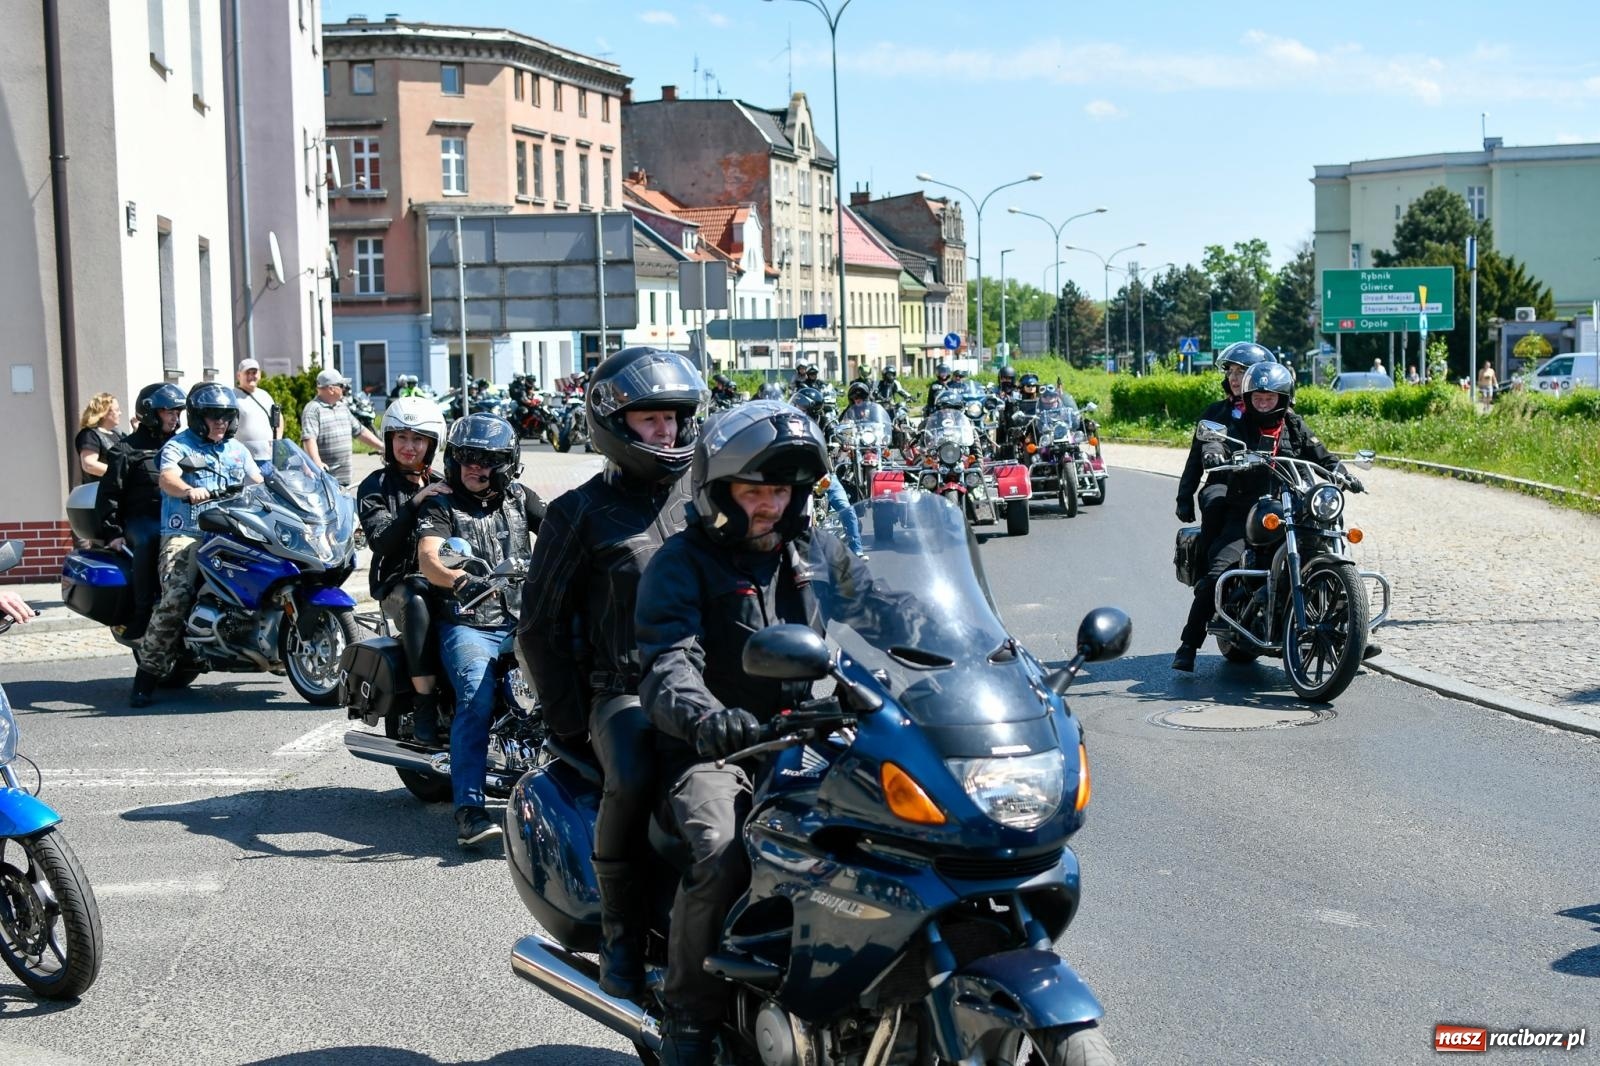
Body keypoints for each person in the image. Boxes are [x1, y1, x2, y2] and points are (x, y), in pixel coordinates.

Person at [634, 401, 837, 1064]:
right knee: (724, 847)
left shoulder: (813, 552)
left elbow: (894, 613)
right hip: (720, 750)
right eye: (754, 490)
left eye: (781, 490)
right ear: (721, 492)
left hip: (809, 740)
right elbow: (668, 663)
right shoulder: (682, 562)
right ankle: (688, 1016)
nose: (770, 505)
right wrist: (705, 716)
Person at [517, 347, 707, 999]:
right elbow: (539, 628)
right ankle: (623, 941)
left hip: (713, 691)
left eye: (674, 419)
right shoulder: (579, 513)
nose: (666, 433)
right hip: (625, 695)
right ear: (615, 425)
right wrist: (572, 725)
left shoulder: (712, 497)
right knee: (630, 771)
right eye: (650, 419)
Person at [1172, 361, 1362, 672]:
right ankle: (1189, 644)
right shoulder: (1238, 422)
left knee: (1327, 548)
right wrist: (1214, 451)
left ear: (1283, 399)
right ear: (1248, 399)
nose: (1263, 404)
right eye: (1258, 398)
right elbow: (1218, 439)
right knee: (1218, 572)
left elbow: (1322, 455)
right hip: (1245, 510)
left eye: (1269, 398)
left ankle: (1351, 632)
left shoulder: (1294, 425)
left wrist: (1342, 472)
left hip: (1292, 505)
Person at [415, 414, 545, 847]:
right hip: (470, 620)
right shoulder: (441, 504)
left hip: (525, 617)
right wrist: (459, 579)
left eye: (487, 459)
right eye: (468, 457)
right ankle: (469, 809)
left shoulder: (520, 498)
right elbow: (430, 557)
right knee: (476, 695)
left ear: (507, 463)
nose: (476, 467)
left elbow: (566, 534)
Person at [131, 384, 261, 707]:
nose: (220, 422)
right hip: (187, 533)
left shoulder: (237, 451)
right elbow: (167, 478)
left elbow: (260, 481)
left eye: (226, 416)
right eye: (213, 416)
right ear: (198, 418)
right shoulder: (179, 446)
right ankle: (146, 676)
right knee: (176, 595)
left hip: (232, 532)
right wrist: (188, 489)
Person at [356, 395, 451, 743]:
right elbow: (382, 541)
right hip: (398, 584)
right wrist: (416, 503)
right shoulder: (375, 487)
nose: (409, 447)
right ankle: (424, 703)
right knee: (418, 602)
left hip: (442, 577)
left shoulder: (443, 482)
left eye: (418, 439)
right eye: (402, 438)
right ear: (389, 440)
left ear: (431, 444)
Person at [95, 383, 186, 640]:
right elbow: (109, 494)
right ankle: (143, 613)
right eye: (168, 411)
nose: (174, 417)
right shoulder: (127, 449)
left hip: (177, 518)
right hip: (142, 519)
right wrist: (112, 532)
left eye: (177, 412)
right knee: (148, 539)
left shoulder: (181, 446)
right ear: (150, 413)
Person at [1175, 342, 1268, 534]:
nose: (1233, 378)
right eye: (1230, 371)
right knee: (1215, 506)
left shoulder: (1274, 411)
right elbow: (1195, 459)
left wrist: (1334, 468)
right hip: (1224, 482)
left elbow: (1305, 445)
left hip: (1268, 484)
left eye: (1241, 371)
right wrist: (1184, 498)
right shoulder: (1216, 412)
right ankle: (1207, 558)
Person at [797, 385, 866, 559]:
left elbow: (835, 433)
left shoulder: (825, 421)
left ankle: (856, 549)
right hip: (798, 473)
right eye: (797, 406)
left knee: (846, 508)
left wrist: (841, 441)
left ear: (812, 409)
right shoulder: (792, 421)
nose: (797, 409)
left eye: (801, 407)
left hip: (822, 473)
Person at [302, 368, 382, 487]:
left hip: (345, 480)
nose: (344, 389)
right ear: (331, 389)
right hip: (325, 480)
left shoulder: (342, 407)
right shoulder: (313, 409)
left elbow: (360, 431)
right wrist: (317, 463)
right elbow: (309, 439)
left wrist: (383, 447)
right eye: (341, 385)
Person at [233, 359, 283, 475]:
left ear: (259, 374)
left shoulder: (265, 395)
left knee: (268, 490)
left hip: (268, 458)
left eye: (254, 373)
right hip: (244, 460)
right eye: (247, 373)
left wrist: (278, 440)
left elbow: (278, 417)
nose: (251, 376)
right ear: (239, 375)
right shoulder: (233, 396)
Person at [74, 392, 125, 484]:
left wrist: (137, 430)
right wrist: (120, 473)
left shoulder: (118, 434)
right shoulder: (90, 435)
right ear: (104, 413)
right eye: (116, 410)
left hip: (119, 492)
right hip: (99, 493)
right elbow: (89, 464)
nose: (120, 413)